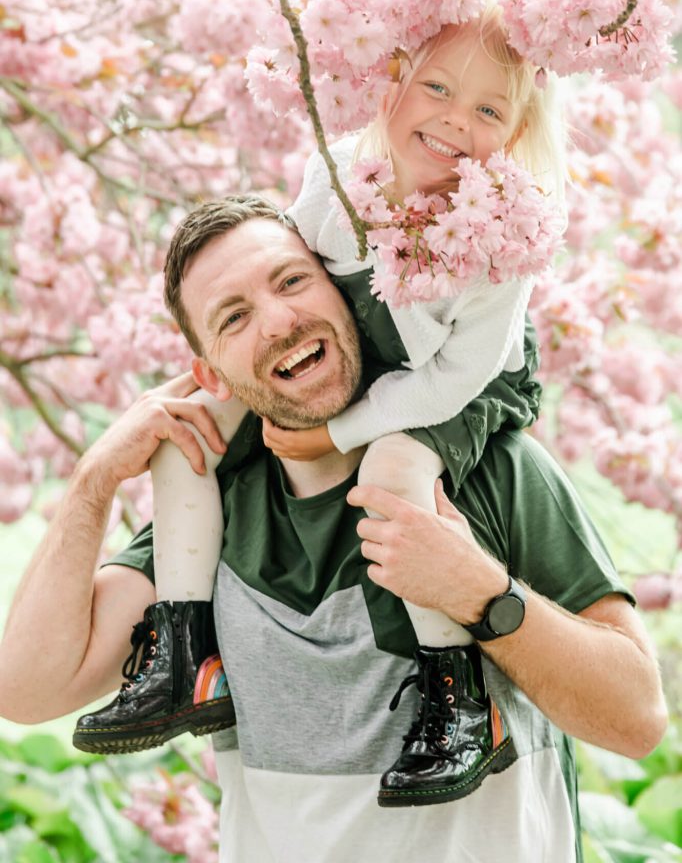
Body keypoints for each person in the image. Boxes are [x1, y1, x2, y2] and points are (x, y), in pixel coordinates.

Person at [0, 197, 667, 863]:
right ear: (210, 376)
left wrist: (480, 593)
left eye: (292, 280)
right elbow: (27, 690)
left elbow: (636, 720)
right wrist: (93, 480)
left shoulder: (491, 470)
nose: (279, 321)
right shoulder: (209, 523)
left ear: (345, 290)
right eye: (234, 317)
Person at [71, 6, 567, 807]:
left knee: (393, 470)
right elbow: (297, 276)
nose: (455, 119)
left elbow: (450, 380)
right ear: (388, 85)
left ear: (514, 134)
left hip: (463, 383)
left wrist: (338, 431)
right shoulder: (338, 175)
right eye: (436, 88)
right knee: (188, 424)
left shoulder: (504, 239)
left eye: (488, 109)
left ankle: (458, 698)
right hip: (371, 343)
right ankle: (185, 652)